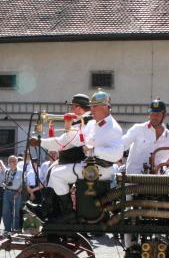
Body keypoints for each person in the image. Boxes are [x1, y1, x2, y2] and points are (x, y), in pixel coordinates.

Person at [28, 90, 123, 220]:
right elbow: (76, 140)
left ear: (106, 107)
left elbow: (117, 154)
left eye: (95, 106)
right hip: (90, 166)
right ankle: (57, 211)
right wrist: (68, 129)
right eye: (91, 106)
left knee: (56, 174)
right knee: (55, 172)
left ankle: (66, 213)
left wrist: (94, 150)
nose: (92, 109)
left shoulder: (113, 127)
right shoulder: (91, 124)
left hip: (100, 169)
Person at [122, 98, 169, 174]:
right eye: (152, 114)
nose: (154, 117)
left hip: (157, 181)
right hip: (134, 181)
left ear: (164, 115)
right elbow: (121, 145)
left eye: (157, 114)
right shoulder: (138, 129)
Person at [2, 155, 24, 232]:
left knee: (16, 213)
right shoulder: (6, 171)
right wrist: (4, 184)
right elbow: (4, 181)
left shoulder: (21, 171)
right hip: (7, 192)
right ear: (8, 162)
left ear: (17, 162)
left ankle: (15, 229)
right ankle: (7, 229)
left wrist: (18, 193)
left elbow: (23, 184)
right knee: (5, 212)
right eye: (10, 161)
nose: (12, 162)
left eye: (14, 161)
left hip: (17, 193)